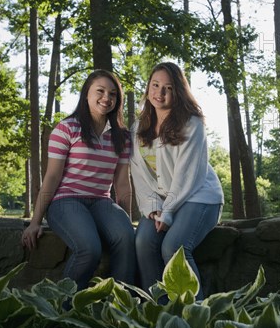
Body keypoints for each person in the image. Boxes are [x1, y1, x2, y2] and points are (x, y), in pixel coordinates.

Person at [21, 69, 136, 290]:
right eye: (100, 91)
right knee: (89, 248)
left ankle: (122, 305)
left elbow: (122, 183)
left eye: (113, 94)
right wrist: (35, 222)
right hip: (66, 201)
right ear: (86, 95)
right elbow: (52, 177)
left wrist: (123, 220)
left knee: (126, 238)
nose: (107, 98)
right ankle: (63, 307)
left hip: (102, 201)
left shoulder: (122, 136)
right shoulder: (67, 128)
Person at [130, 62, 223, 300]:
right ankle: (157, 310)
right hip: (161, 202)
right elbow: (139, 175)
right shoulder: (138, 128)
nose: (159, 93)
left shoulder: (192, 123)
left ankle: (195, 314)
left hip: (199, 196)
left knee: (173, 247)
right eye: (155, 85)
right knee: (143, 243)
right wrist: (152, 208)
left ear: (178, 91)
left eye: (168, 88)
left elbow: (187, 176)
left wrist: (168, 210)